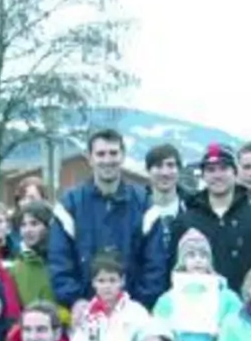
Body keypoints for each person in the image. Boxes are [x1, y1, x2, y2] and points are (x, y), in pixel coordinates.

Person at [48, 129, 167, 312]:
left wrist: (138, 305)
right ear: (90, 158)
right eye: (101, 154)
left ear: (123, 156)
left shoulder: (144, 204)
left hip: (132, 312)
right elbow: (59, 261)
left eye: (113, 153)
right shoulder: (70, 205)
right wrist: (75, 300)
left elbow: (155, 264)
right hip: (84, 310)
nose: (107, 160)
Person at [170, 143, 251, 293]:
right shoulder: (186, 221)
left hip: (246, 304)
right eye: (211, 170)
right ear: (203, 175)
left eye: (224, 168)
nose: (217, 175)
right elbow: (174, 270)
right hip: (198, 302)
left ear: (235, 172)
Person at [153, 229, 241, 341]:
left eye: (203, 255)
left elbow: (239, 328)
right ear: (182, 261)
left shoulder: (227, 298)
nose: (198, 260)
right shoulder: (167, 300)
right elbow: (158, 333)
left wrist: (223, 333)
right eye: (191, 255)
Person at [69, 250, 152, 341]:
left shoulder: (137, 312)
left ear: (122, 281)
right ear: (93, 282)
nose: (107, 286)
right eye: (101, 281)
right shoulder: (85, 315)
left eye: (112, 280)